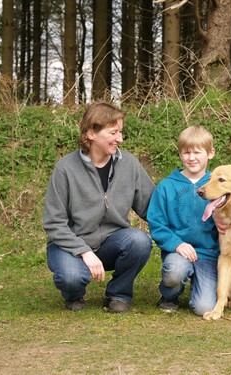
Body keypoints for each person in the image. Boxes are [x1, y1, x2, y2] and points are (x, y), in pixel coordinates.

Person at [43, 102, 155, 313]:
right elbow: (54, 223)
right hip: (70, 246)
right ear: (91, 133)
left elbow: (153, 207)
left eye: (120, 132)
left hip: (112, 243)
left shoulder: (129, 164)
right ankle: (73, 294)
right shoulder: (65, 169)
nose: (120, 139)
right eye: (113, 132)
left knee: (139, 241)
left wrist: (184, 232)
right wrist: (84, 251)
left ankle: (118, 295)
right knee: (72, 277)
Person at [147, 125, 219, 316]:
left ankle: (202, 286)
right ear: (180, 154)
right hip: (179, 252)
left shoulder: (218, 184)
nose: (192, 157)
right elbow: (157, 223)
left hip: (209, 254)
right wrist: (176, 244)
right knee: (174, 271)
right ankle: (170, 294)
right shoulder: (166, 186)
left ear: (210, 153)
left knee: (204, 308)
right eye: (186, 152)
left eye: (197, 152)